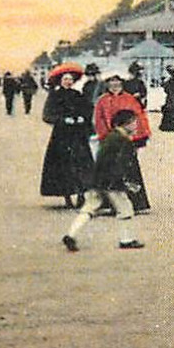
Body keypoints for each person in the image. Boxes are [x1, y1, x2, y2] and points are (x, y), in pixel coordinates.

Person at [62, 109, 145, 252]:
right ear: (124, 124)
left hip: (98, 180)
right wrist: (126, 182)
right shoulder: (123, 140)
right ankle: (126, 240)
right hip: (113, 183)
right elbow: (121, 164)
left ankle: (71, 234)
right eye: (133, 122)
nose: (135, 125)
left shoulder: (110, 137)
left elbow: (101, 160)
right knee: (125, 209)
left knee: (89, 209)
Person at [92, 73, 150, 212]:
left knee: (129, 169)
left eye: (117, 82)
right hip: (110, 140)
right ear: (107, 84)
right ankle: (108, 204)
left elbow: (139, 118)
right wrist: (106, 135)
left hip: (127, 140)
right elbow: (98, 120)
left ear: (122, 83)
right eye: (111, 82)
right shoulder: (102, 100)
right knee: (107, 171)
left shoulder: (130, 99)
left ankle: (136, 203)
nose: (114, 85)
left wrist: (136, 137)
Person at [41, 63, 94, 206]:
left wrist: (83, 118)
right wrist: (63, 120)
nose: (68, 82)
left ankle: (81, 195)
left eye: (70, 79)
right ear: (60, 81)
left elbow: (88, 110)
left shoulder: (78, 95)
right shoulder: (54, 96)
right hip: (61, 136)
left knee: (81, 164)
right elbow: (47, 115)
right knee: (63, 165)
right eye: (65, 79)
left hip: (78, 134)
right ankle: (67, 197)